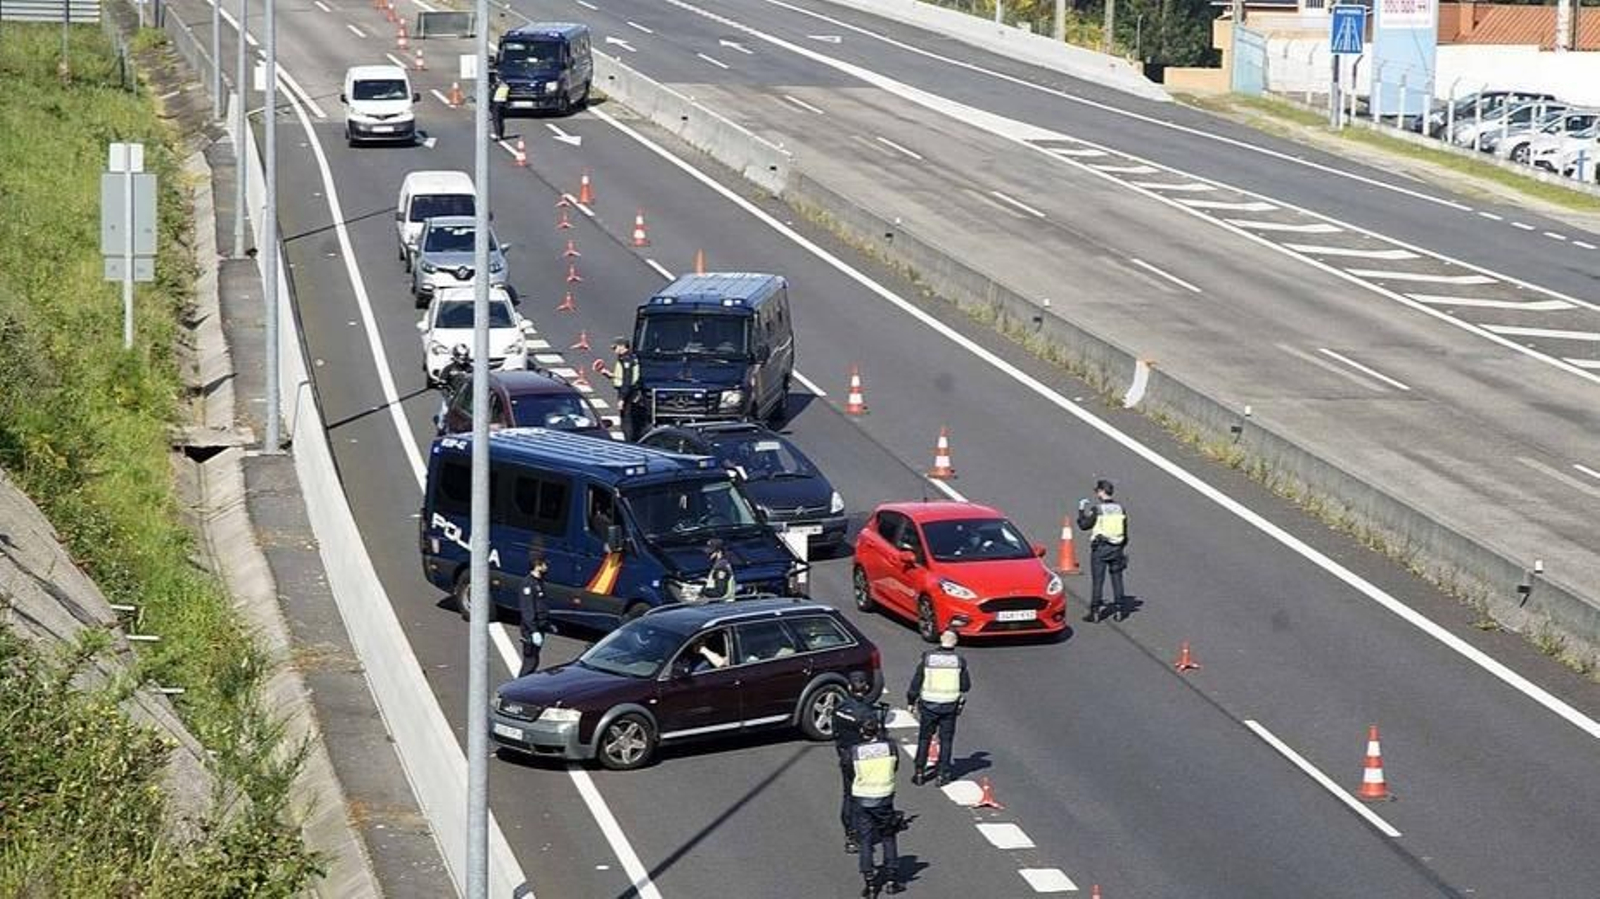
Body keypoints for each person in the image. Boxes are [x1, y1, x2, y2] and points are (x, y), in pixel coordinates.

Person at [906, 628, 969, 787]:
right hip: (949, 706)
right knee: (946, 741)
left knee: (924, 738)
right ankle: (942, 775)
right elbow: (966, 686)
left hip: (928, 705)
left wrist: (911, 701)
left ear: (941, 639)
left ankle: (919, 772)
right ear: (955, 642)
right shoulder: (959, 661)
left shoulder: (928, 658)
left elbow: (916, 682)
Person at [850, 716, 904, 896]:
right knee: (888, 837)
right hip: (884, 798)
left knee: (865, 840)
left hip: (862, 799)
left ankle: (870, 883)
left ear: (862, 732)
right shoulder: (890, 747)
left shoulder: (855, 751)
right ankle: (891, 880)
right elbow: (896, 766)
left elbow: (848, 771)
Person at [832, 672, 884, 854]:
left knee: (848, 796)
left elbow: (835, 733)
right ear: (866, 688)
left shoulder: (838, 708)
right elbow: (877, 736)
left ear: (849, 687)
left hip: (845, 754)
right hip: (863, 758)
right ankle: (864, 830)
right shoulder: (866, 713)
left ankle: (850, 834)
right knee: (864, 796)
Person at [1077, 479, 1130, 622]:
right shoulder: (1120, 509)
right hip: (1117, 548)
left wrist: (1081, 510)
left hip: (1100, 548)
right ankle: (1119, 610)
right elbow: (1125, 532)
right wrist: (1121, 547)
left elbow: (1084, 525)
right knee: (1117, 579)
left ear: (1101, 492)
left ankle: (1095, 612)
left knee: (1098, 581)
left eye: (1097, 491)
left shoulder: (1098, 509)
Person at [517, 555, 551, 677]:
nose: (546, 567)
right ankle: (518, 688)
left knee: (534, 660)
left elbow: (541, 605)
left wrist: (548, 623)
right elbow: (527, 610)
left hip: (539, 627)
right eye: (544, 564)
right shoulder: (528, 584)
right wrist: (533, 631)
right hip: (531, 630)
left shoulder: (539, 582)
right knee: (530, 662)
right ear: (537, 566)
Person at [609, 337, 642, 440]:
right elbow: (621, 376)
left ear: (623, 347)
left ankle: (629, 442)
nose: (614, 350)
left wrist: (622, 399)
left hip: (628, 393)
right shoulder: (631, 357)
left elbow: (627, 380)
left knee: (626, 421)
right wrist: (608, 374)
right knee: (630, 419)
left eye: (616, 347)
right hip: (631, 391)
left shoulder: (626, 359)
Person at [702, 538, 736, 602]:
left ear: (719, 552)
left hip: (723, 605)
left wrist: (700, 589)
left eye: (711, 552)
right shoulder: (721, 564)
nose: (708, 555)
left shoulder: (721, 568)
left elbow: (720, 593)